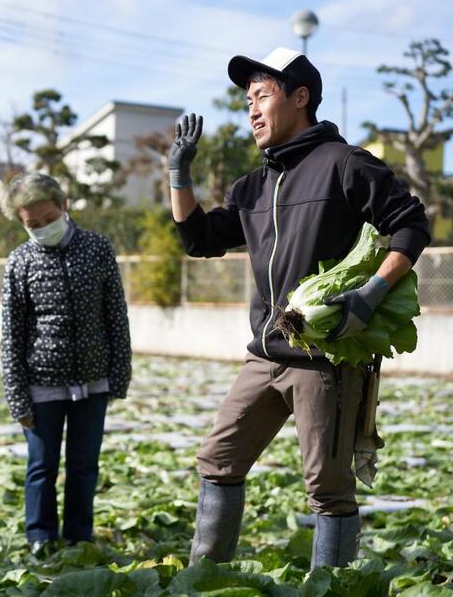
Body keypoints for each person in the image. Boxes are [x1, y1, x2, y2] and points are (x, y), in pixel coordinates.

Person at [169, 47, 430, 569]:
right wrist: (179, 176)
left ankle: (330, 585)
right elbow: (198, 239)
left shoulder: (345, 165)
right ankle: (204, 578)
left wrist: (372, 291)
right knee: (218, 461)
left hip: (325, 357)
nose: (251, 110)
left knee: (328, 491)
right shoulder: (255, 185)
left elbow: (411, 223)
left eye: (262, 96)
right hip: (265, 354)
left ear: (300, 97)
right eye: (247, 101)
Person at [0, 173, 131, 556]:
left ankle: (78, 537)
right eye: (32, 225)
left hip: (93, 381)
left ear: (65, 206)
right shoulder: (20, 262)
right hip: (41, 383)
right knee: (41, 466)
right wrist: (17, 396)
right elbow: (12, 334)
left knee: (83, 465)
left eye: (47, 218)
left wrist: (118, 377)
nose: (42, 229)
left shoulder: (97, 248)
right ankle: (40, 535)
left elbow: (116, 317)